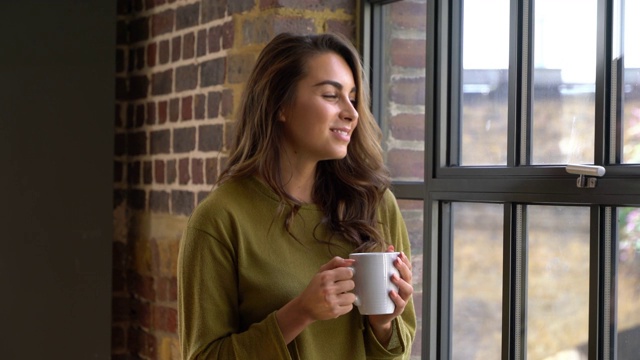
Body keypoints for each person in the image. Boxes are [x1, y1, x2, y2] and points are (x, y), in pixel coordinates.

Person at [178, 32, 416, 360]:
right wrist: (300, 312)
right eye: (332, 95)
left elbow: (398, 351)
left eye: (353, 97)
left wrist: (384, 325)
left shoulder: (375, 204)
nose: (352, 112)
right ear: (280, 106)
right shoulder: (220, 219)